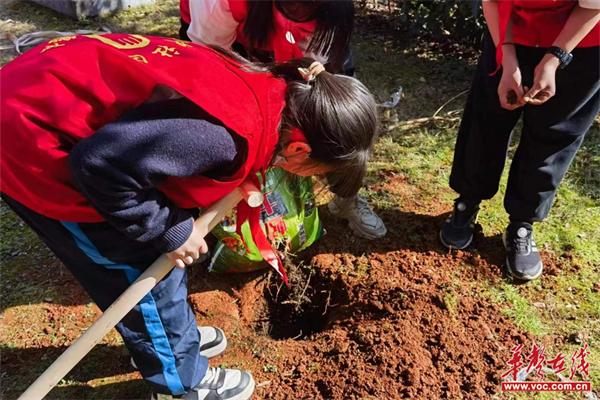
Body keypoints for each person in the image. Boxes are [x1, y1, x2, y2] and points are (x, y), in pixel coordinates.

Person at [0, 33, 378, 399]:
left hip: (43, 91)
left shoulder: (269, 89)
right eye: (316, 172)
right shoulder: (221, 138)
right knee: (139, 266)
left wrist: (245, 170)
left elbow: (171, 137)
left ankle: (170, 342)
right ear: (299, 147)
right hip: (33, 142)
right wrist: (170, 229)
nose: (311, 179)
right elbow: (99, 166)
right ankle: (182, 382)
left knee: (153, 266)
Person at [179, 0, 388, 240]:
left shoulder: (329, 14)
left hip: (305, 58)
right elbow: (213, 66)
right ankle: (197, 219)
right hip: (226, 46)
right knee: (218, 131)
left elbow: (316, 82)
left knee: (339, 130)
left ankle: (346, 199)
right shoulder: (219, 4)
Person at [439, 0, 599, 281]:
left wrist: (555, 58)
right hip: (511, 29)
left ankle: (522, 223)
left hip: (584, 40)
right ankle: (467, 200)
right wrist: (507, 58)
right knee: (486, 119)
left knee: (555, 132)